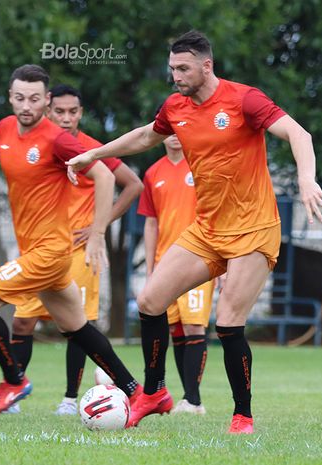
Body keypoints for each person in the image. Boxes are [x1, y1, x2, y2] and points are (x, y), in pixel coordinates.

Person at [67, 31, 322, 434]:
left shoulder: (244, 99)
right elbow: (144, 135)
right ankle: (154, 392)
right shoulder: (175, 107)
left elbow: (300, 134)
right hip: (207, 229)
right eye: (172, 68)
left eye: (183, 68)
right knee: (150, 300)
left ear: (206, 66)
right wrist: (94, 152)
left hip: (254, 230)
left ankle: (242, 414)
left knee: (227, 322)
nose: (175, 75)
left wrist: (307, 180)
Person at [0, 64, 141, 416]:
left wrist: (97, 233)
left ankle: (14, 380)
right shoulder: (3, 129)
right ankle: (136, 391)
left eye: (34, 99)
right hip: (40, 253)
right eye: (19, 98)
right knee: (78, 329)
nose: (26, 106)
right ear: (10, 97)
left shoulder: (57, 138)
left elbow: (105, 178)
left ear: (45, 100)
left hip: (50, 252)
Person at [10, 84, 144, 415]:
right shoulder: (37, 144)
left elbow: (132, 185)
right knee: (22, 322)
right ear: (47, 110)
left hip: (78, 252)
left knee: (76, 327)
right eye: (60, 112)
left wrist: (99, 227)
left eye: (73, 111)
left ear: (80, 113)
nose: (66, 118)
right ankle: (12, 394)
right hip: (40, 248)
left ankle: (70, 399)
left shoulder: (92, 148)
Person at [138, 133, 216, 415]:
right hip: (165, 264)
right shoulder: (153, 173)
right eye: (167, 131)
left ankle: (193, 400)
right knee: (176, 329)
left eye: (177, 131)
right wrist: (150, 269)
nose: (173, 137)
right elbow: (150, 223)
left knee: (195, 325)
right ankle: (188, 399)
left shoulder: (201, 164)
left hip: (198, 259)